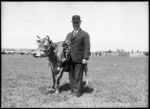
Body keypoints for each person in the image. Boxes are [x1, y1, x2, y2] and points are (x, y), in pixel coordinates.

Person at [64, 15, 91, 97]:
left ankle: (77, 92)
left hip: (79, 59)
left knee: (78, 76)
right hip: (70, 59)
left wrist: (85, 58)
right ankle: (72, 90)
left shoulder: (85, 34)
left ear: (80, 23)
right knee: (71, 76)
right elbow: (64, 44)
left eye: (77, 23)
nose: (75, 25)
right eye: (74, 23)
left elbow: (87, 46)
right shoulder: (69, 34)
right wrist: (64, 43)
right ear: (72, 23)